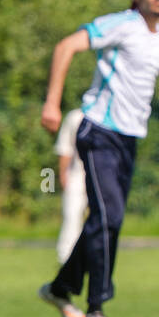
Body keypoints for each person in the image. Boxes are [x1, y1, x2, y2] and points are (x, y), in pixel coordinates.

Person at [38, 0, 159, 317]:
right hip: (98, 131)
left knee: (107, 220)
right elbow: (66, 46)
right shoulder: (122, 24)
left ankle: (61, 288)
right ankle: (96, 309)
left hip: (128, 140)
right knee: (108, 216)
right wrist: (52, 103)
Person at [53, 107, 88, 266]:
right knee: (72, 218)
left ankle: (91, 259)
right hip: (77, 176)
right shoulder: (75, 117)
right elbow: (65, 148)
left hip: (101, 176)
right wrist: (63, 174)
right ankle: (66, 260)